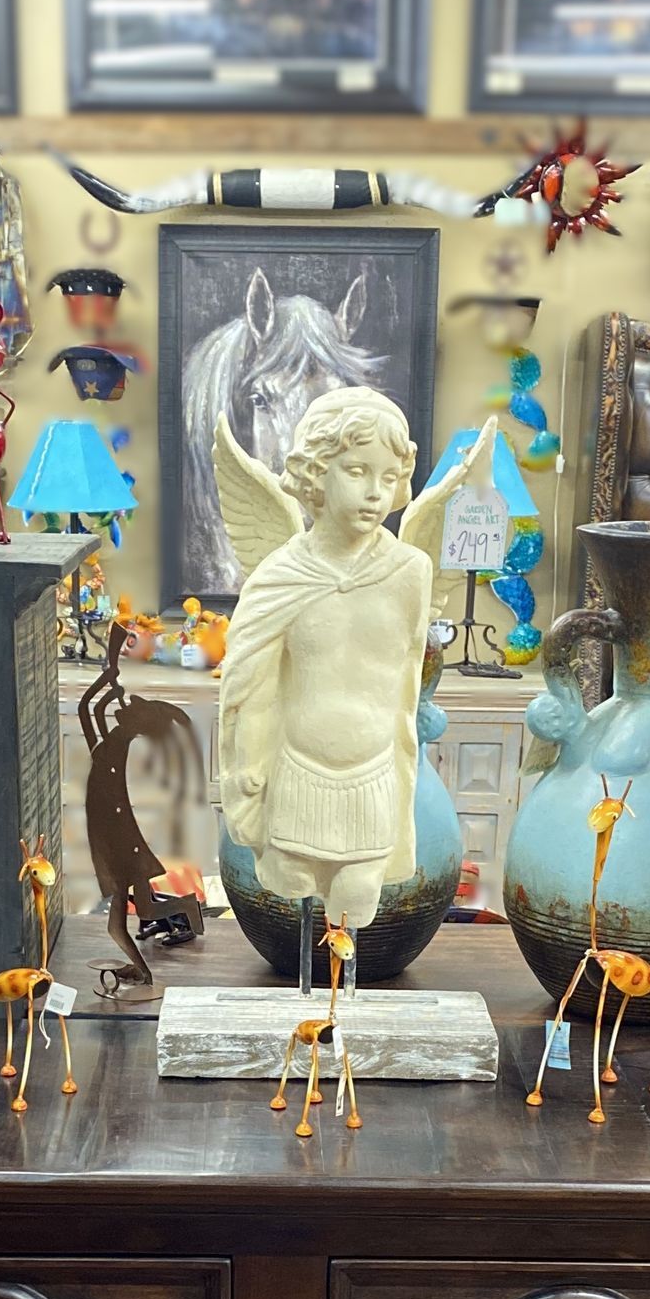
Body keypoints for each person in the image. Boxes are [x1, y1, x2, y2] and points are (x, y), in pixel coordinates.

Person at [216, 386, 432, 932]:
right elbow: (253, 683)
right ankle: (311, 1011)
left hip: (373, 776)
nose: (375, 494)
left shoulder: (410, 572)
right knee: (291, 891)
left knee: (358, 905)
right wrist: (246, 765)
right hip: (296, 776)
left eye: (388, 478)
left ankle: (342, 1010)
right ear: (316, 472)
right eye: (356, 471)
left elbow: (407, 681)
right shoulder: (281, 576)